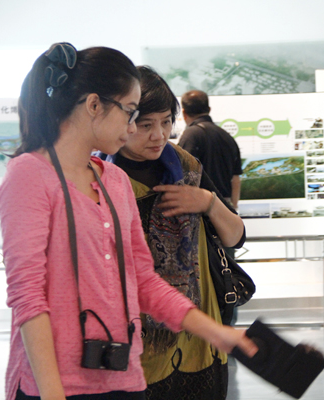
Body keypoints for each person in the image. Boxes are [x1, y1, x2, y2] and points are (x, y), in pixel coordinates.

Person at [0, 43, 256, 400]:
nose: (135, 127)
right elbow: (28, 296)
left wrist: (216, 332)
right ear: (94, 105)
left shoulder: (114, 181)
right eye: (132, 113)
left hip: (123, 376)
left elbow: (142, 281)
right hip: (53, 385)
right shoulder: (29, 175)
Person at [98, 66, 244, 399]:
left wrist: (208, 202)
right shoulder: (99, 178)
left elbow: (235, 236)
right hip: (133, 341)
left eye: (166, 122)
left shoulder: (187, 167)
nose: (159, 135)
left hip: (198, 337)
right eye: (145, 125)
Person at [178, 90, 242, 211]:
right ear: (209, 109)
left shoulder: (190, 135)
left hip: (199, 206)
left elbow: (182, 174)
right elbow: (235, 180)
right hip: (225, 207)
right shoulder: (227, 137)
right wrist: (233, 209)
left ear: (184, 112)